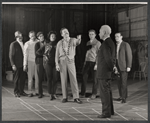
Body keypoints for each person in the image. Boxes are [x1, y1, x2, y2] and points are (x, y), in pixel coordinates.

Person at [55, 28, 82, 104]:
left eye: (67, 32)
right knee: (63, 79)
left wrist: (79, 38)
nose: (66, 33)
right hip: (62, 61)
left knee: (73, 78)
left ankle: (76, 97)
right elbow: (56, 54)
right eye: (64, 32)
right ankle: (65, 96)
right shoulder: (59, 43)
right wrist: (57, 64)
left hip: (70, 61)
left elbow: (77, 42)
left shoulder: (73, 40)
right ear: (62, 34)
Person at [96, 25, 115, 118]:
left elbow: (108, 59)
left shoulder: (105, 44)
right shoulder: (110, 42)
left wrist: (112, 68)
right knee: (108, 92)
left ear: (104, 32)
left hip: (104, 73)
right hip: (107, 72)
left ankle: (106, 112)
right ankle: (110, 111)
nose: (99, 33)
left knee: (104, 93)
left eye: (100, 31)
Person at [36, 31, 58, 100]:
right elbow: (37, 52)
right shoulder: (46, 45)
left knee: (56, 78)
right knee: (49, 78)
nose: (53, 37)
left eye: (54, 36)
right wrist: (44, 55)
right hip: (48, 63)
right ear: (49, 37)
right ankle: (50, 93)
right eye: (52, 36)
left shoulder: (58, 44)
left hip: (56, 63)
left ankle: (54, 92)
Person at [81, 29, 101, 99]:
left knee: (95, 79)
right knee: (84, 78)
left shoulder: (98, 43)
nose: (91, 35)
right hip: (87, 62)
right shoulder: (88, 43)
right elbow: (86, 54)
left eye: (92, 34)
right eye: (90, 34)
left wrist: (97, 64)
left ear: (95, 35)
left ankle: (94, 93)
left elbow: (99, 54)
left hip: (94, 62)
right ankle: (83, 93)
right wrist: (84, 62)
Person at [114, 32, 132, 103]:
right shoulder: (115, 46)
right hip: (117, 66)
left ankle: (124, 98)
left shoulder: (125, 44)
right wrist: (114, 66)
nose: (116, 38)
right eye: (115, 37)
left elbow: (129, 56)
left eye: (118, 36)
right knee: (119, 82)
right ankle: (121, 96)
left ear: (121, 37)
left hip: (124, 66)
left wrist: (129, 66)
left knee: (123, 82)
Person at [9, 31, 28, 97]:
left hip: (23, 64)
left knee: (23, 79)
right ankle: (16, 92)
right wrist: (13, 64)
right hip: (16, 65)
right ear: (16, 36)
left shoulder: (23, 44)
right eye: (19, 36)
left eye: (21, 36)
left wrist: (25, 64)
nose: (20, 37)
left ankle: (21, 91)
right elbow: (11, 55)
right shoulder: (13, 44)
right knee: (16, 79)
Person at [23, 31, 38, 97]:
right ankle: (30, 91)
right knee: (30, 78)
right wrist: (25, 64)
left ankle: (37, 91)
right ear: (29, 36)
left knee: (37, 77)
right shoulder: (27, 43)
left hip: (37, 62)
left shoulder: (38, 42)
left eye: (34, 35)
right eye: (31, 36)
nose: (33, 37)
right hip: (30, 61)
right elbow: (25, 54)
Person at [34, 32, 45, 98]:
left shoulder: (46, 43)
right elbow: (37, 54)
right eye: (40, 36)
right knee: (40, 77)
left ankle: (51, 93)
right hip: (39, 61)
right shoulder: (37, 44)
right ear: (38, 37)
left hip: (46, 61)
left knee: (48, 77)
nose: (42, 37)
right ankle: (40, 93)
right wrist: (43, 55)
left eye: (42, 35)